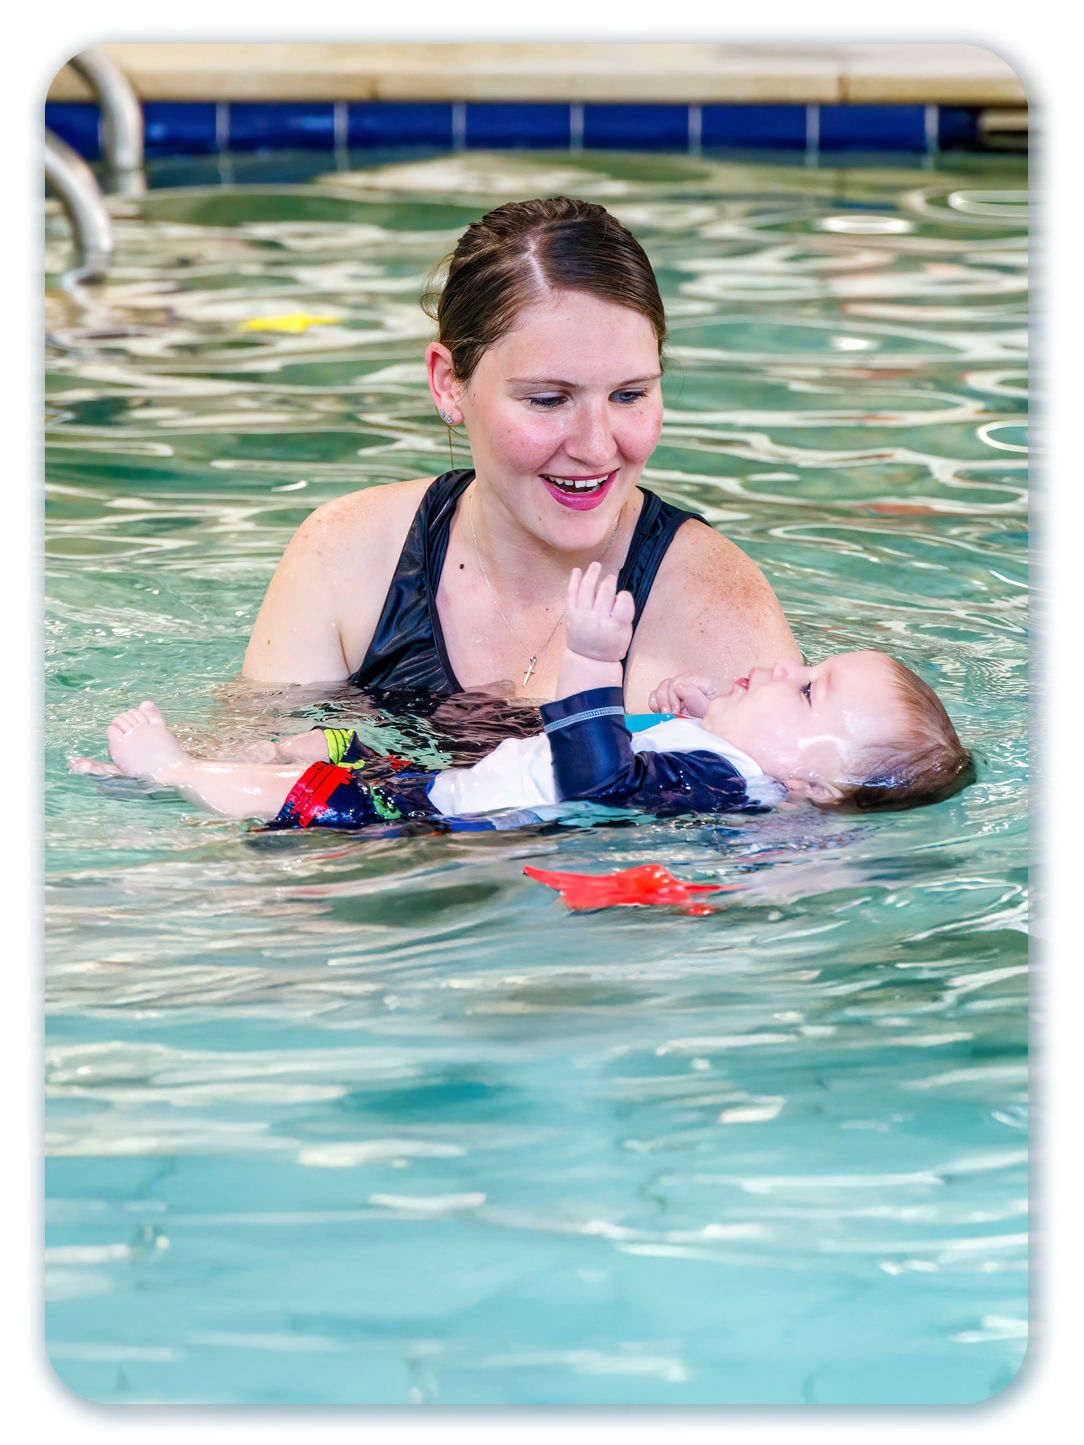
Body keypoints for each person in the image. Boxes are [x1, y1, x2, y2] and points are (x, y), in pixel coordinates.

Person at [241, 196, 799, 713]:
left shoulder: (717, 613)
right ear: (447, 383)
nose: (596, 446)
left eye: (629, 395)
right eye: (548, 399)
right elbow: (250, 771)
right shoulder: (348, 557)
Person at [80, 564, 973, 830]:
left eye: (809, 689)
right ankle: (260, 759)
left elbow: (598, 776)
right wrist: (691, 708)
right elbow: (647, 755)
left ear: (817, 784)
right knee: (328, 752)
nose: (784, 666)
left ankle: (180, 772)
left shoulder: (733, 789)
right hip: (459, 784)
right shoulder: (738, 775)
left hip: (441, 819)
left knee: (310, 796)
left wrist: (592, 661)